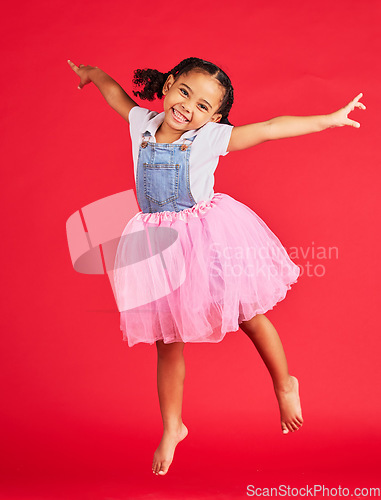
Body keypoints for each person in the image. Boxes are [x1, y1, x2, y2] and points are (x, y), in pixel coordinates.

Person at [67, 57, 365, 476]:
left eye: (204, 106)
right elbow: (116, 95)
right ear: (169, 85)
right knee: (166, 339)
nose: (189, 107)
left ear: (215, 118)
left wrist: (328, 119)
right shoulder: (143, 124)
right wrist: (92, 74)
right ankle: (173, 426)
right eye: (185, 92)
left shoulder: (206, 140)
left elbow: (268, 128)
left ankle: (284, 382)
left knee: (250, 315)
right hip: (159, 246)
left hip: (207, 239)